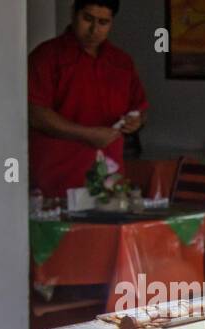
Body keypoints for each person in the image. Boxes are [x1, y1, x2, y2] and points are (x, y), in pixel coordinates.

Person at [28, 0, 148, 199]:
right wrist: (86, 134)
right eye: (88, 19)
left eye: (103, 23)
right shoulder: (47, 56)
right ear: (73, 13)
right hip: (58, 179)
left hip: (110, 183)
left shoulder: (121, 62)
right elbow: (35, 114)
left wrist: (136, 121)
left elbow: (140, 109)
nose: (94, 30)